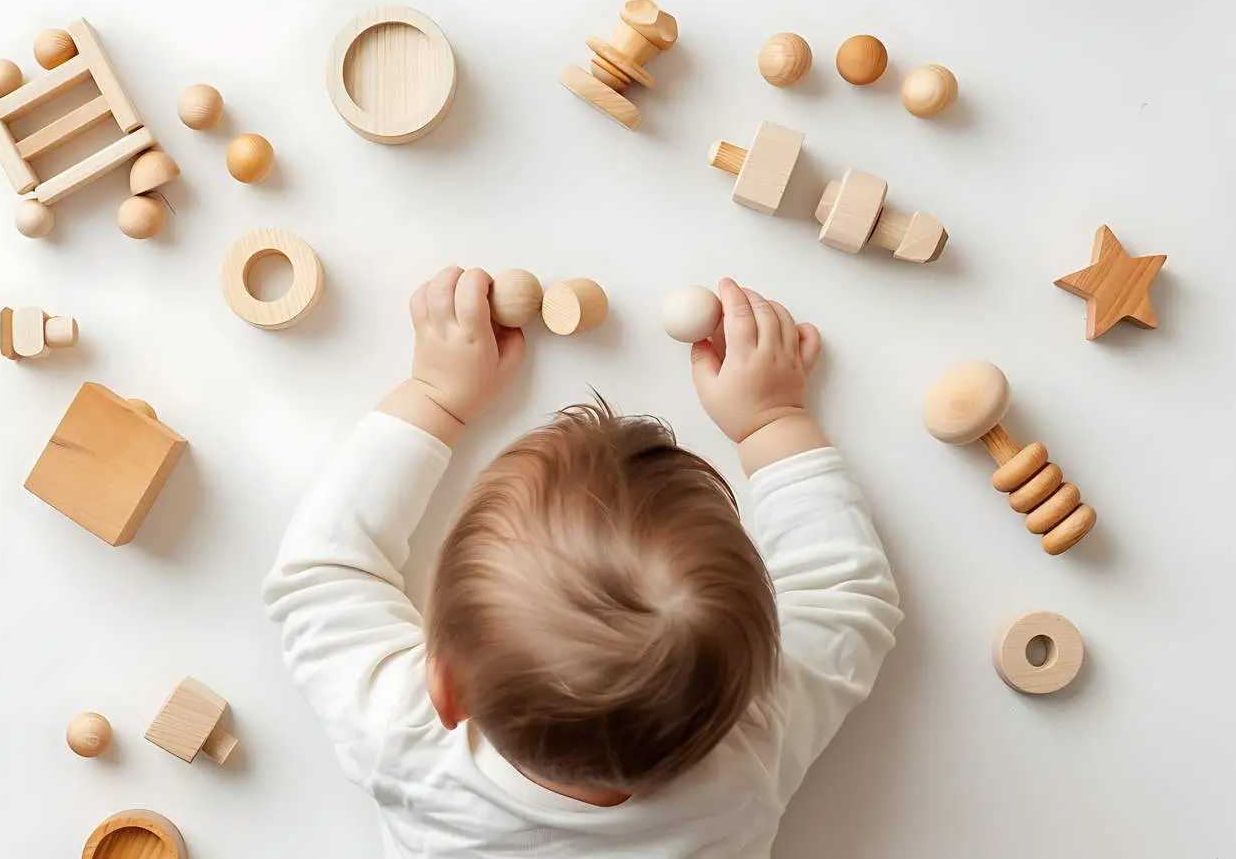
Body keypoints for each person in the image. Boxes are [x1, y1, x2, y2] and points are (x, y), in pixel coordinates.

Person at [265, 267, 902, 857]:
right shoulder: (745, 763)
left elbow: (321, 572)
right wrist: (772, 420)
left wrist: (435, 395)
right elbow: (844, 595)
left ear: (447, 690)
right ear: (745, 692)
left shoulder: (408, 745)